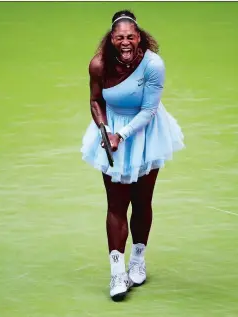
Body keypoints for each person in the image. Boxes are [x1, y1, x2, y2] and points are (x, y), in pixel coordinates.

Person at [80, 9, 185, 301]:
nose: (125, 42)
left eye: (130, 37)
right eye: (119, 37)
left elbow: (150, 111)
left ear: (139, 38)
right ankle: (117, 273)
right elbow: (95, 100)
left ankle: (138, 259)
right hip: (112, 128)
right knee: (116, 204)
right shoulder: (99, 64)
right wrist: (103, 128)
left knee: (141, 200)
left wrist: (121, 135)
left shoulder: (153, 65)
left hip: (146, 131)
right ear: (111, 39)